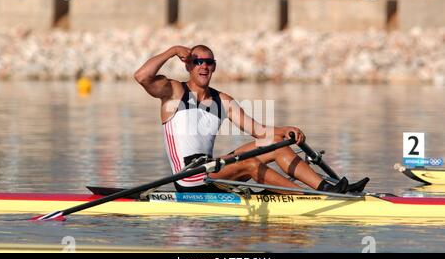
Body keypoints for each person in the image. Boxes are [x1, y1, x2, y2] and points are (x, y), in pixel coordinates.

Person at [134, 45, 367, 194]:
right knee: (251, 164)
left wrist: (286, 131)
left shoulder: (222, 100)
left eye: (209, 62)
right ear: (188, 66)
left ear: (214, 67)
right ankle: (307, 198)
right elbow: (142, 76)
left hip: (212, 168)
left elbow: (259, 131)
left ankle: (327, 188)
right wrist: (173, 50)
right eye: (198, 61)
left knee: (275, 145)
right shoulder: (174, 92)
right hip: (189, 178)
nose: (204, 66)